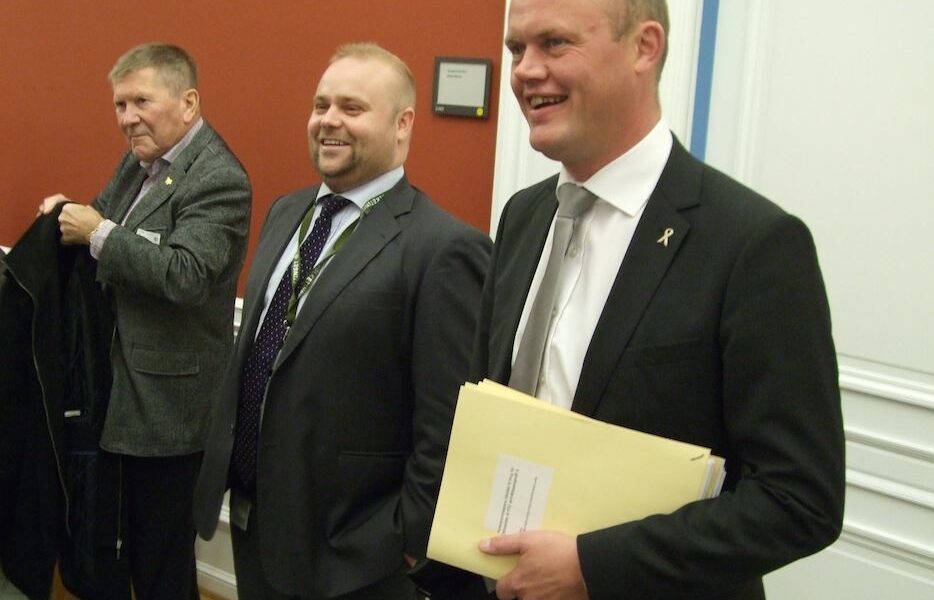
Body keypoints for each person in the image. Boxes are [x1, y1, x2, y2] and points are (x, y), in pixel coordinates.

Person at [469, 1, 846, 599]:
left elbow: (799, 500)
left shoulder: (753, 245)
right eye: (517, 49)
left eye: (555, 43)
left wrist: (593, 567)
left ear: (644, 47)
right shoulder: (524, 216)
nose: (525, 70)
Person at [193, 42, 491, 600]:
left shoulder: (443, 249)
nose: (329, 120)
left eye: (352, 108)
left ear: (403, 125)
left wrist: (406, 538)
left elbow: (448, 422)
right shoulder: (287, 211)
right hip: (257, 523)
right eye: (321, 105)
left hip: (355, 557)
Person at [37, 43, 251, 599]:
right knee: (121, 550)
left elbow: (186, 274)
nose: (128, 118)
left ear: (188, 102)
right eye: (120, 104)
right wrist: (69, 214)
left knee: (162, 566)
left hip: (170, 412)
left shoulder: (219, 178)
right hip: (119, 397)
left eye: (141, 102)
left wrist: (96, 231)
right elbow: (105, 224)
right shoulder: (138, 163)